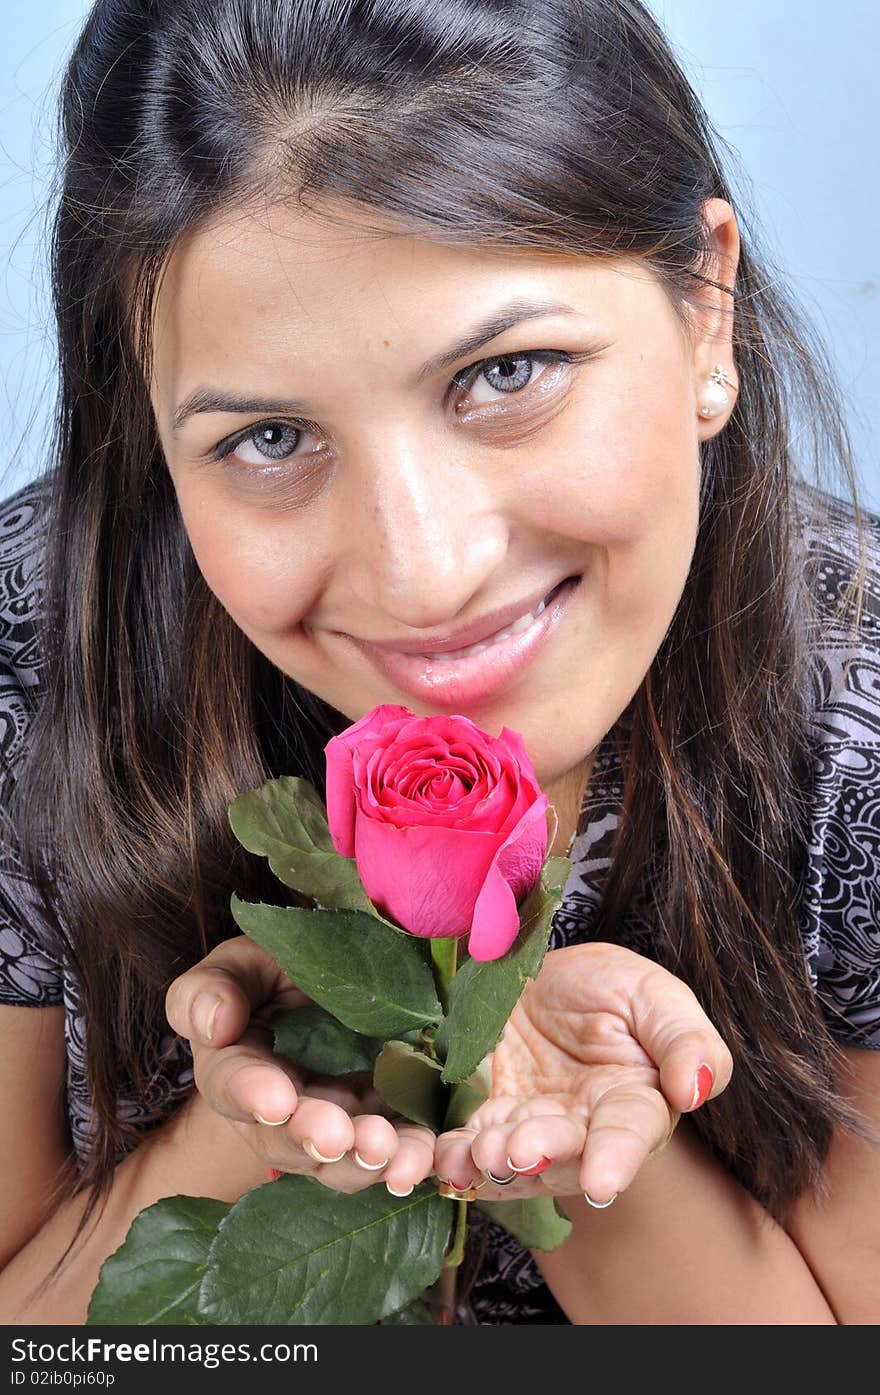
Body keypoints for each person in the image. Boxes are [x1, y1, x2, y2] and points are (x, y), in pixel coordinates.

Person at [0, 0, 877, 1327]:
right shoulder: (30, 660)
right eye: (271, 441)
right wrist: (306, 1082)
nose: (423, 574)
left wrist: (548, 1126)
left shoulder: (859, 733)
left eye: (507, 372)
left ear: (705, 310)